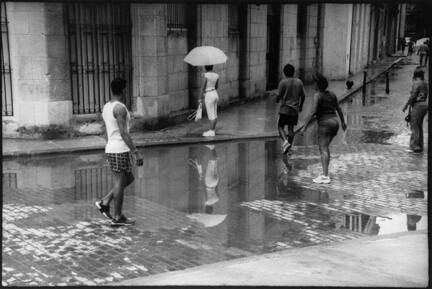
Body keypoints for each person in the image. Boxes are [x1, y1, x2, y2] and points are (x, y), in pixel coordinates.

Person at [96, 78, 143, 226]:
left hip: (113, 148)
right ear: (123, 90)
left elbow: (105, 130)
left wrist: (109, 146)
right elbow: (123, 133)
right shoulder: (120, 108)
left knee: (127, 179)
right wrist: (136, 152)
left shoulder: (107, 107)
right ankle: (118, 217)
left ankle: (105, 202)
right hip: (119, 149)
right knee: (119, 182)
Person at [301, 75, 347, 184]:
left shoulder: (318, 95)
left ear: (318, 85)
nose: (314, 85)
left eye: (315, 83)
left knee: (323, 149)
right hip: (335, 122)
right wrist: (343, 122)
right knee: (326, 148)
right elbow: (339, 109)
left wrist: (304, 127)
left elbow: (313, 112)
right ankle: (325, 173)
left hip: (325, 123)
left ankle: (325, 176)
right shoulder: (332, 94)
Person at [276, 64, 306, 153]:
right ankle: (288, 149)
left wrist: (277, 99)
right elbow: (303, 96)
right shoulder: (299, 82)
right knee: (291, 129)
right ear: (294, 72)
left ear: (284, 73)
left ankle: (285, 142)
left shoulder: (283, 82)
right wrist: (300, 106)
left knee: (280, 127)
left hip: (284, 109)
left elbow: (279, 96)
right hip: (294, 110)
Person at [402, 69, 428, 153]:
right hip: (424, 105)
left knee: (414, 125)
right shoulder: (425, 83)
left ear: (415, 76)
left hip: (418, 105)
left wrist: (406, 106)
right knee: (419, 126)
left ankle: (415, 146)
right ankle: (420, 145)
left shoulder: (417, 83)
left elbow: (413, 96)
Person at [199, 65, 219, 137]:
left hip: (209, 95)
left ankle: (211, 131)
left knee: (211, 114)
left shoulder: (205, 75)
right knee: (215, 113)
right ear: (212, 67)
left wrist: (200, 98)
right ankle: (213, 130)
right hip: (215, 93)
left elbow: (202, 88)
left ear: (205, 67)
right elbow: (216, 86)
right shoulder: (216, 75)